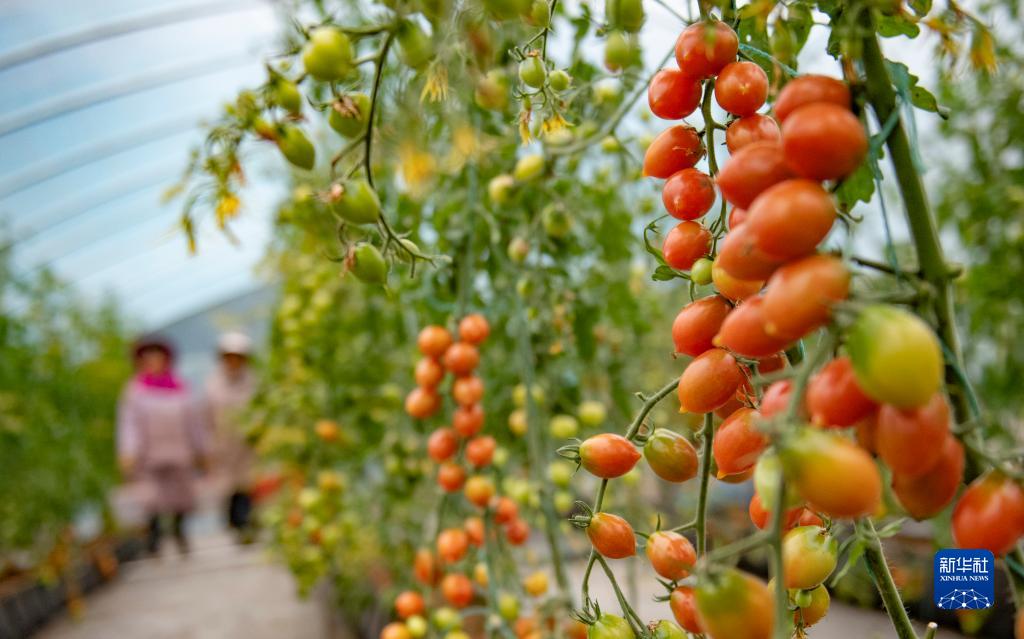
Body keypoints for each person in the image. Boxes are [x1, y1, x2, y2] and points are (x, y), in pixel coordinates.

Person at [117, 336, 207, 555]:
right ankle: (154, 539)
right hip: (149, 455)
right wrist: (128, 452)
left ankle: (179, 531)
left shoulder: (180, 388)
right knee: (151, 499)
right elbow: (129, 424)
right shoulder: (135, 391)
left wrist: (201, 449)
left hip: (178, 452)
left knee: (182, 498)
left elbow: (193, 421)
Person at [204, 331, 257, 541]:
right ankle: (234, 523)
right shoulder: (212, 385)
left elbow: (260, 409)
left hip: (248, 444)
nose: (234, 361)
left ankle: (245, 524)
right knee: (227, 488)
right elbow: (207, 417)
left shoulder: (253, 382)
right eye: (229, 356)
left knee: (247, 485)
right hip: (223, 445)